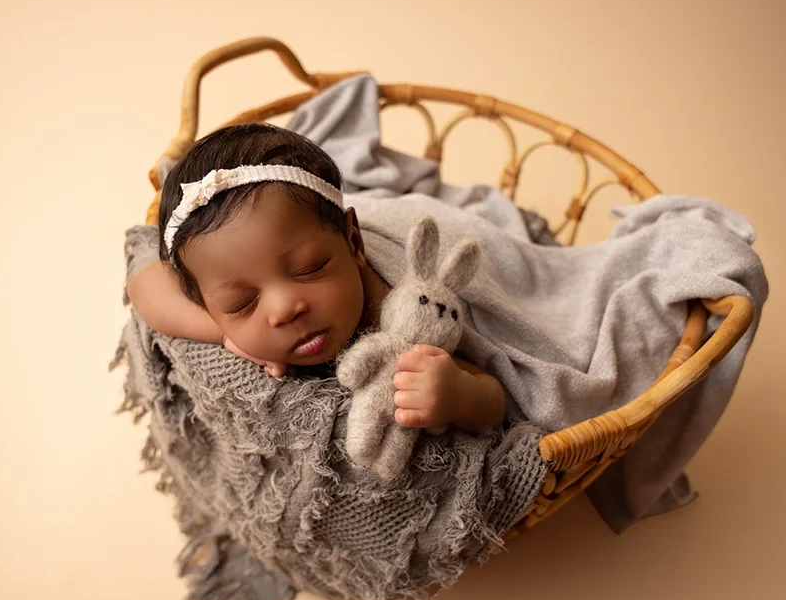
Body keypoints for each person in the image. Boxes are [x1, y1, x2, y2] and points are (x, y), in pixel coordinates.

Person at [127, 123, 505, 434]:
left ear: (353, 241)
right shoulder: (212, 287)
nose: (284, 309)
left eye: (309, 269)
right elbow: (142, 286)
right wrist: (223, 331)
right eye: (241, 303)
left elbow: (496, 402)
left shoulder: (396, 310)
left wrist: (458, 394)